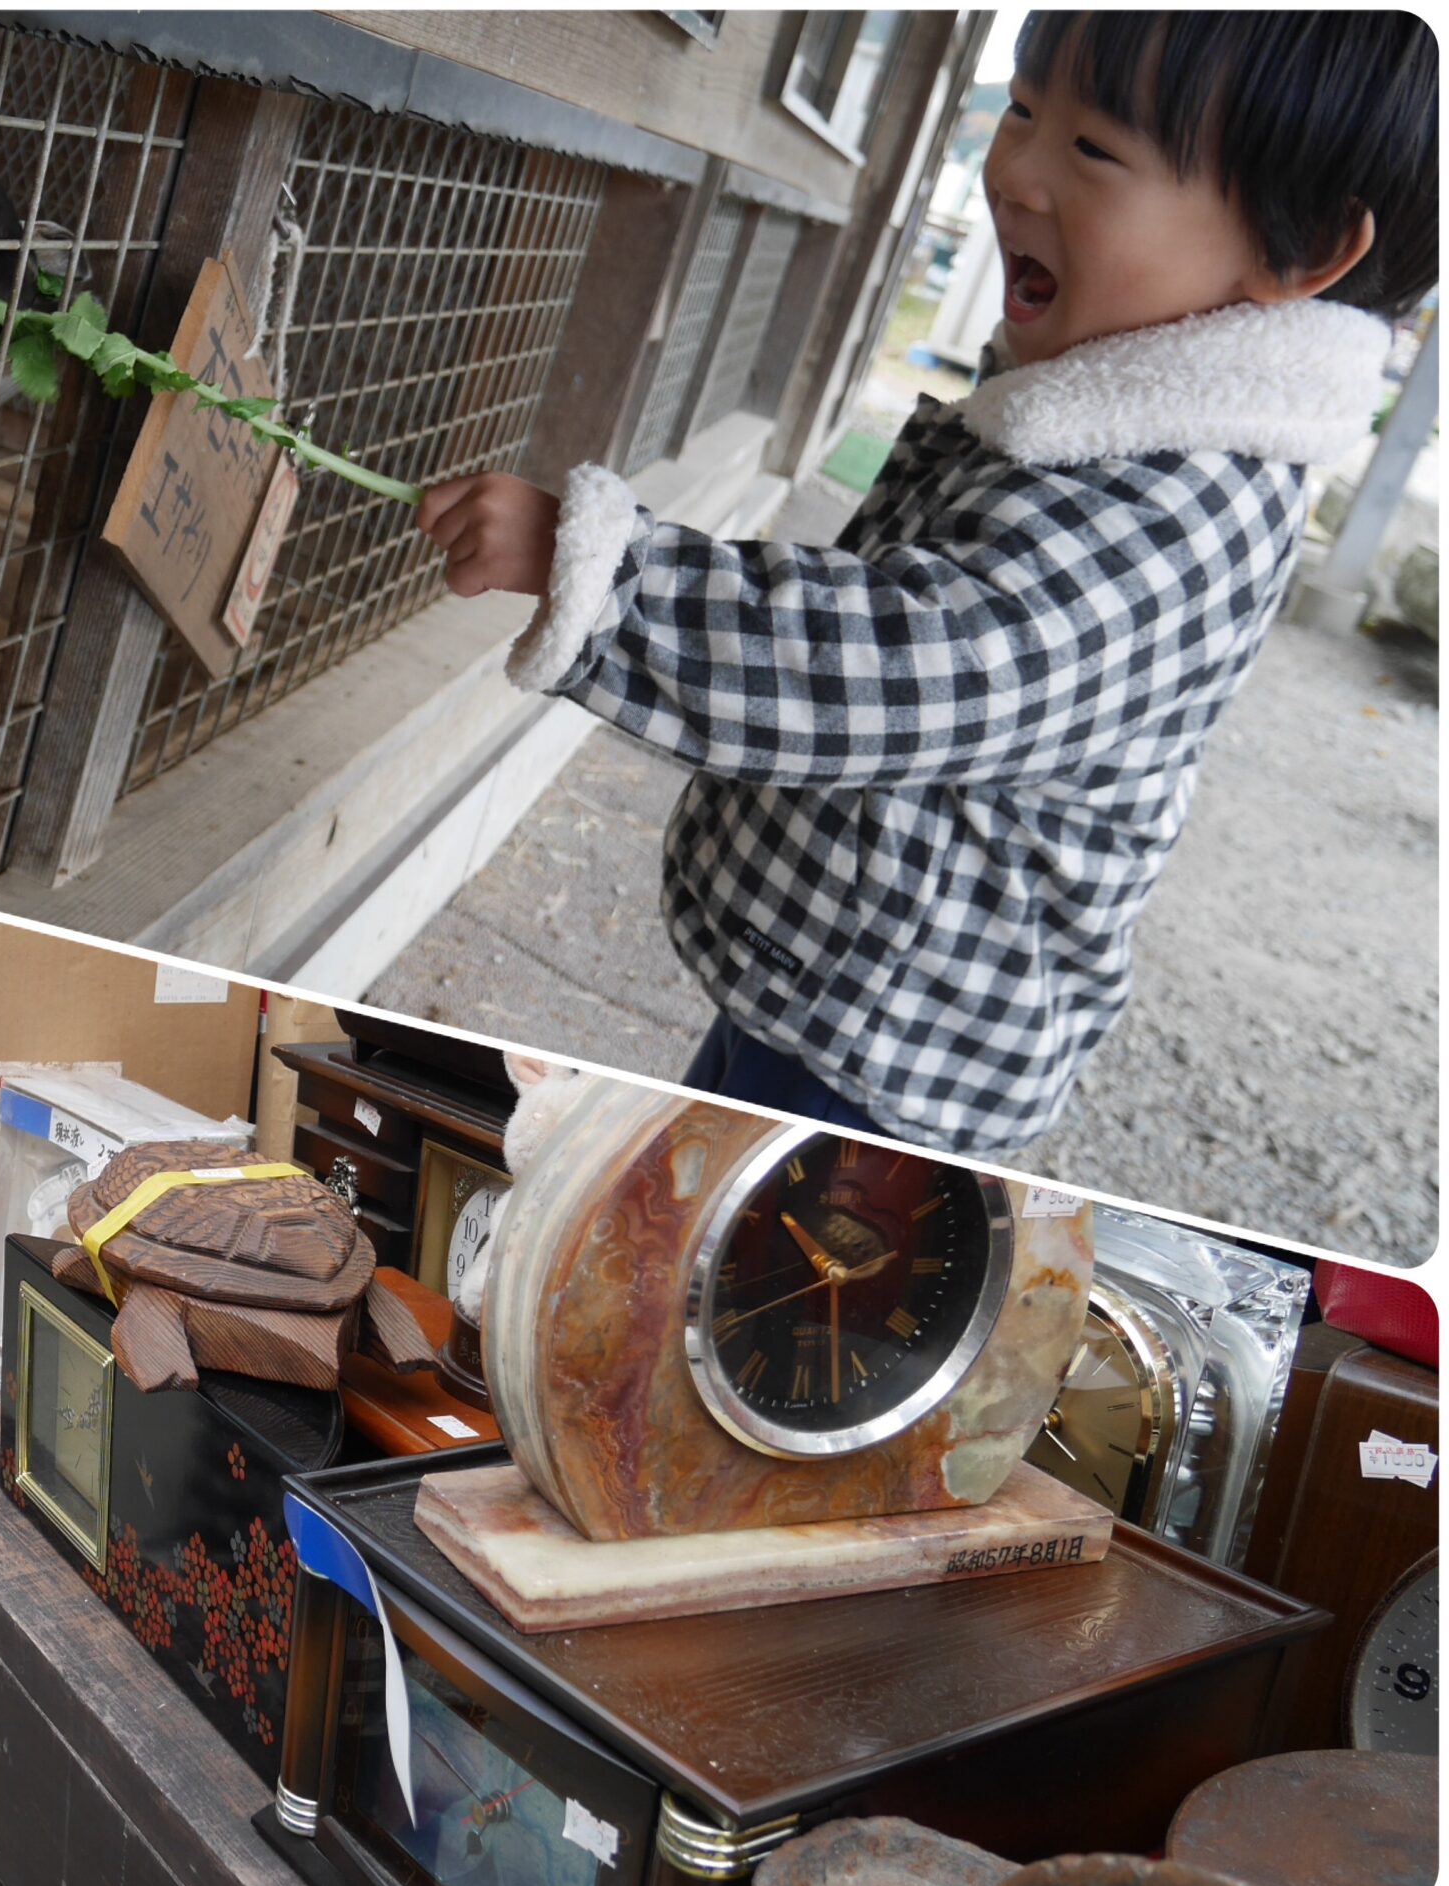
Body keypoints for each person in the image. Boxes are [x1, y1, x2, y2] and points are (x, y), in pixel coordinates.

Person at [417, 10, 1436, 1156]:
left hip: (891, 1049)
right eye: (1020, 110)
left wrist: (601, 571)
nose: (1016, 172)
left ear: (1299, 251)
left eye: (1092, 149)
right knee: (682, 1177)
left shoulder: (1183, 509)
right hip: (834, 991)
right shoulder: (1117, 403)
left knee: (739, 1237)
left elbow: (892, 665)